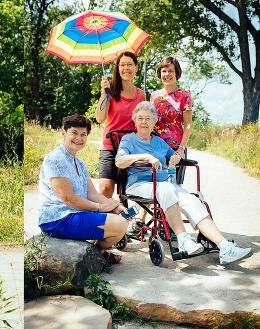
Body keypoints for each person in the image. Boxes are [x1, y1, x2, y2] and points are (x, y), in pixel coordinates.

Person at [115, 102, 252, 264]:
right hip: (139, 185)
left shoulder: (159, 142)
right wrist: (145, 157)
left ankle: (225, 248)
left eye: (148, 118)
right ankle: (184, 239)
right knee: (166, 188)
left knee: (192, 200)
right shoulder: (128, 140)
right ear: (135, 121)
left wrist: (176, 157)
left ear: (155, 122)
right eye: (140, 118)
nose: (144, 122)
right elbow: (120, 161)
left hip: (164, 186)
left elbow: (173, 155)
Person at [38, 114, 127, 264]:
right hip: (57, 218)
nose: (79, 138)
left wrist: (115, 206)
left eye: (83, 134)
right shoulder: (55, 158)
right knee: (119, 225)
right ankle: (98, 254)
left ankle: (96, 253)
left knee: (121, 218)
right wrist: (102, 208)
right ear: (63, 132)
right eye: (74, 133)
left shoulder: (79, 162)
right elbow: (69, 199)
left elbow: (91, 193)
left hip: (74, 215)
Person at [95, 51, 146, 198]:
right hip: (110, 147)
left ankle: (126, 218)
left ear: (136, 67)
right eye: (122, 64)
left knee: (129, 192)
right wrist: (104, 94)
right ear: (117, 68)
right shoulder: (110, 90)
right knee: (105, 189)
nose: (126, 68)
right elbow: (100, 118)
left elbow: (143, 122)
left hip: (131, 148)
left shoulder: (141, 95)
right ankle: (107, 220)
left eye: (130, 64)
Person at [150, 56, 193, 185]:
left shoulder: (184, 95)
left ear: (177, 73)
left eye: (170, 71)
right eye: (164, 71)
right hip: (157, 149)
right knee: (155, 186)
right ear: (160, 74)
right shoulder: (154, 96)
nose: (167, 74)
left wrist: (181, 149)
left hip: (176, 149)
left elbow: (188, 125)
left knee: (175, 187)